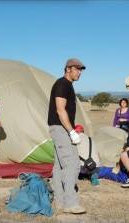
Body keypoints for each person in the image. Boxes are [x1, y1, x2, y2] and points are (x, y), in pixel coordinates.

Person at [47, 58, 86, 214]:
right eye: (77, 69)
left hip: (59, 128)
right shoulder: (63, 84)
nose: (79, 72)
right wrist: (71, 131)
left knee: (59, 166)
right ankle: (70, 203)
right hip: (61, 129)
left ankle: (60, 201)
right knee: (72, 164)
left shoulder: (66, 85)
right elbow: (60, 109)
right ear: (68, 69)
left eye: (81, 70)